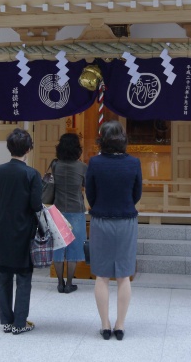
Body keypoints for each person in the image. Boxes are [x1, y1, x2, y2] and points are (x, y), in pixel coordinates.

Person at [85, 121, 142, 341]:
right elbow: (136, 194)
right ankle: (120, 325)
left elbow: (90, 193)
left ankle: (105, 325)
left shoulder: (95, 163)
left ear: (103, 140)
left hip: (101, 220)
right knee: (123, 276)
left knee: (101, 276)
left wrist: (100, 205)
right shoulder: (134, 163)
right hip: (126, 220)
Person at [0, 128, 43, 335]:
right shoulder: (31, 174)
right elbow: (36, 205)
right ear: (28, 149)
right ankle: (20, 322)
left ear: (9, 148)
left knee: (3, 276)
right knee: (23, 276)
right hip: (23, 229)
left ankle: (7, 321)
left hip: (1, 227)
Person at [50, 133, 88, 294]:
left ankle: (60, 282)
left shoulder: (55, 165)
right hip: (76, 211)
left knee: (58, 247)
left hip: (57, 210)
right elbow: (86, 184)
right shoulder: (82, 167)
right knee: (74, 248)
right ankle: (70, 283)